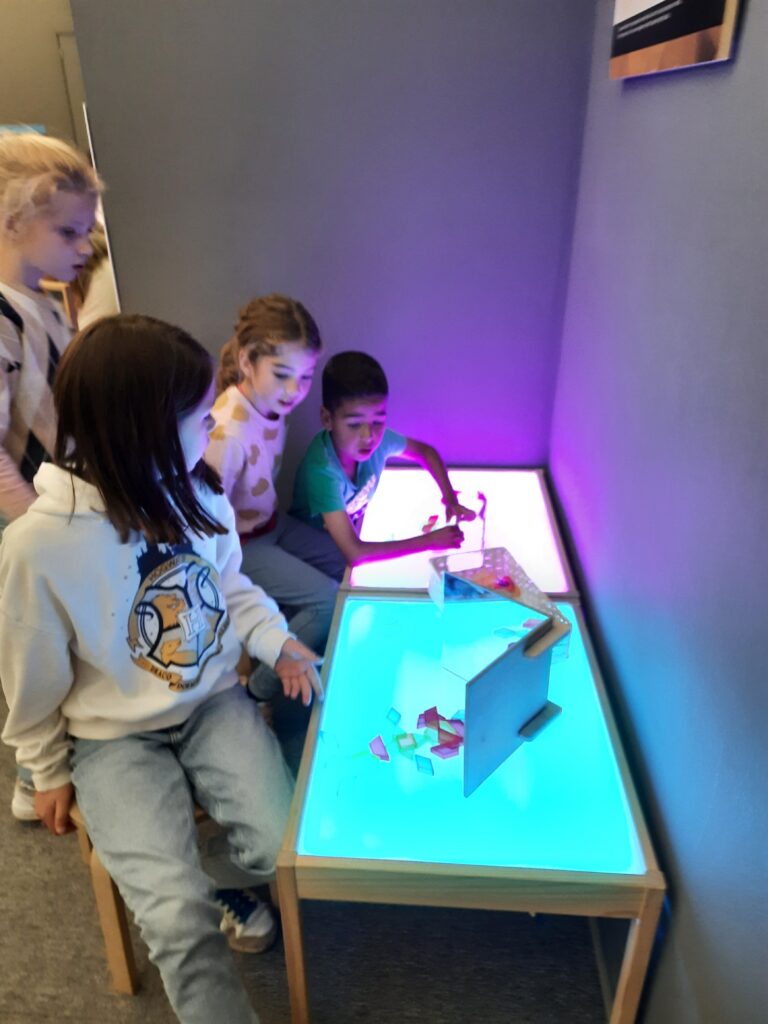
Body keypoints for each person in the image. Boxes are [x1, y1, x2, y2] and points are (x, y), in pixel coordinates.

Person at [0, 314, 322, 1024]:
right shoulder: (36, 547)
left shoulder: (198, 493)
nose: (214, 425)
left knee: (281, 853)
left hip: (212, 704)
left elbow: (231, 585)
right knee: (178, 924)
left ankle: (196, 876)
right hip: (112, 739)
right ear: (140, 427)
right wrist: (45, 767)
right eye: (200, 416)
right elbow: (31, 675)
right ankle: (184, 891)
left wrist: (277, 642)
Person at [0, 129, 102, 820]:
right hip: (30, 518)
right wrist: (37, 524)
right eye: (69, 231)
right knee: (37, 645)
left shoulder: (43, 298)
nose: (84, 246)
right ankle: (35, 777)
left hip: (59, 504)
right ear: (13, 221)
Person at [204, 294, 339, 707]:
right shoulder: (227, 433)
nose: (295, 390)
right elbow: (207, 519)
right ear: (247, 362)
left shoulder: (270, 403)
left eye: (306, 376)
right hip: (241, 544)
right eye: (282, 375)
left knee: (346, 566)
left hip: (270, 524)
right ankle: (260, 690)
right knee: (327, 597)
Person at [291, 350, 475, 568]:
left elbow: (425, 452)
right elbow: (355, 553)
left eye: (378, 422)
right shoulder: (322, 470)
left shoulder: (379, 440)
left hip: (350, 529)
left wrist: (450, 499)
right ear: (327, 419)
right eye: (354, 424)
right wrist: (429, 541)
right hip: (311, 543)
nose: (368, 436)